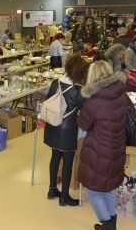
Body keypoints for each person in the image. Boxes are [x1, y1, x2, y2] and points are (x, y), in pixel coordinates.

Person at [77, 61, 128, 230]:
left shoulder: (95, 101)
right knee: (108, 187)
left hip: (99, 151)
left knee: (93, 191)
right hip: (117, 148)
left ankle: (107, 225)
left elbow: (83, 124)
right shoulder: (121, 92)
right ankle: (112, 222)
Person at [44, 54, 89, 206]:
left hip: (52, 126)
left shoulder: (55, 82)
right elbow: (85, 111)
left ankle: (52, 189)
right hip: (67, 130)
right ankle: (64, 196)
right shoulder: (79, 90)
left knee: (55, 157)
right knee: (68, 162)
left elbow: (48, 100)